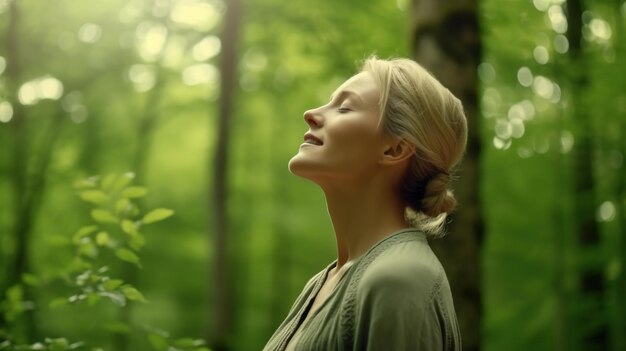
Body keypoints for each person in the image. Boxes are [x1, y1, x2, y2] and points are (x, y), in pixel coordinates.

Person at [263, 56, 467, 351]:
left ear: (395, 148)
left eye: (344, 108)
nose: (311, 114)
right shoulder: (321, 283)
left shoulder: (400, 280)